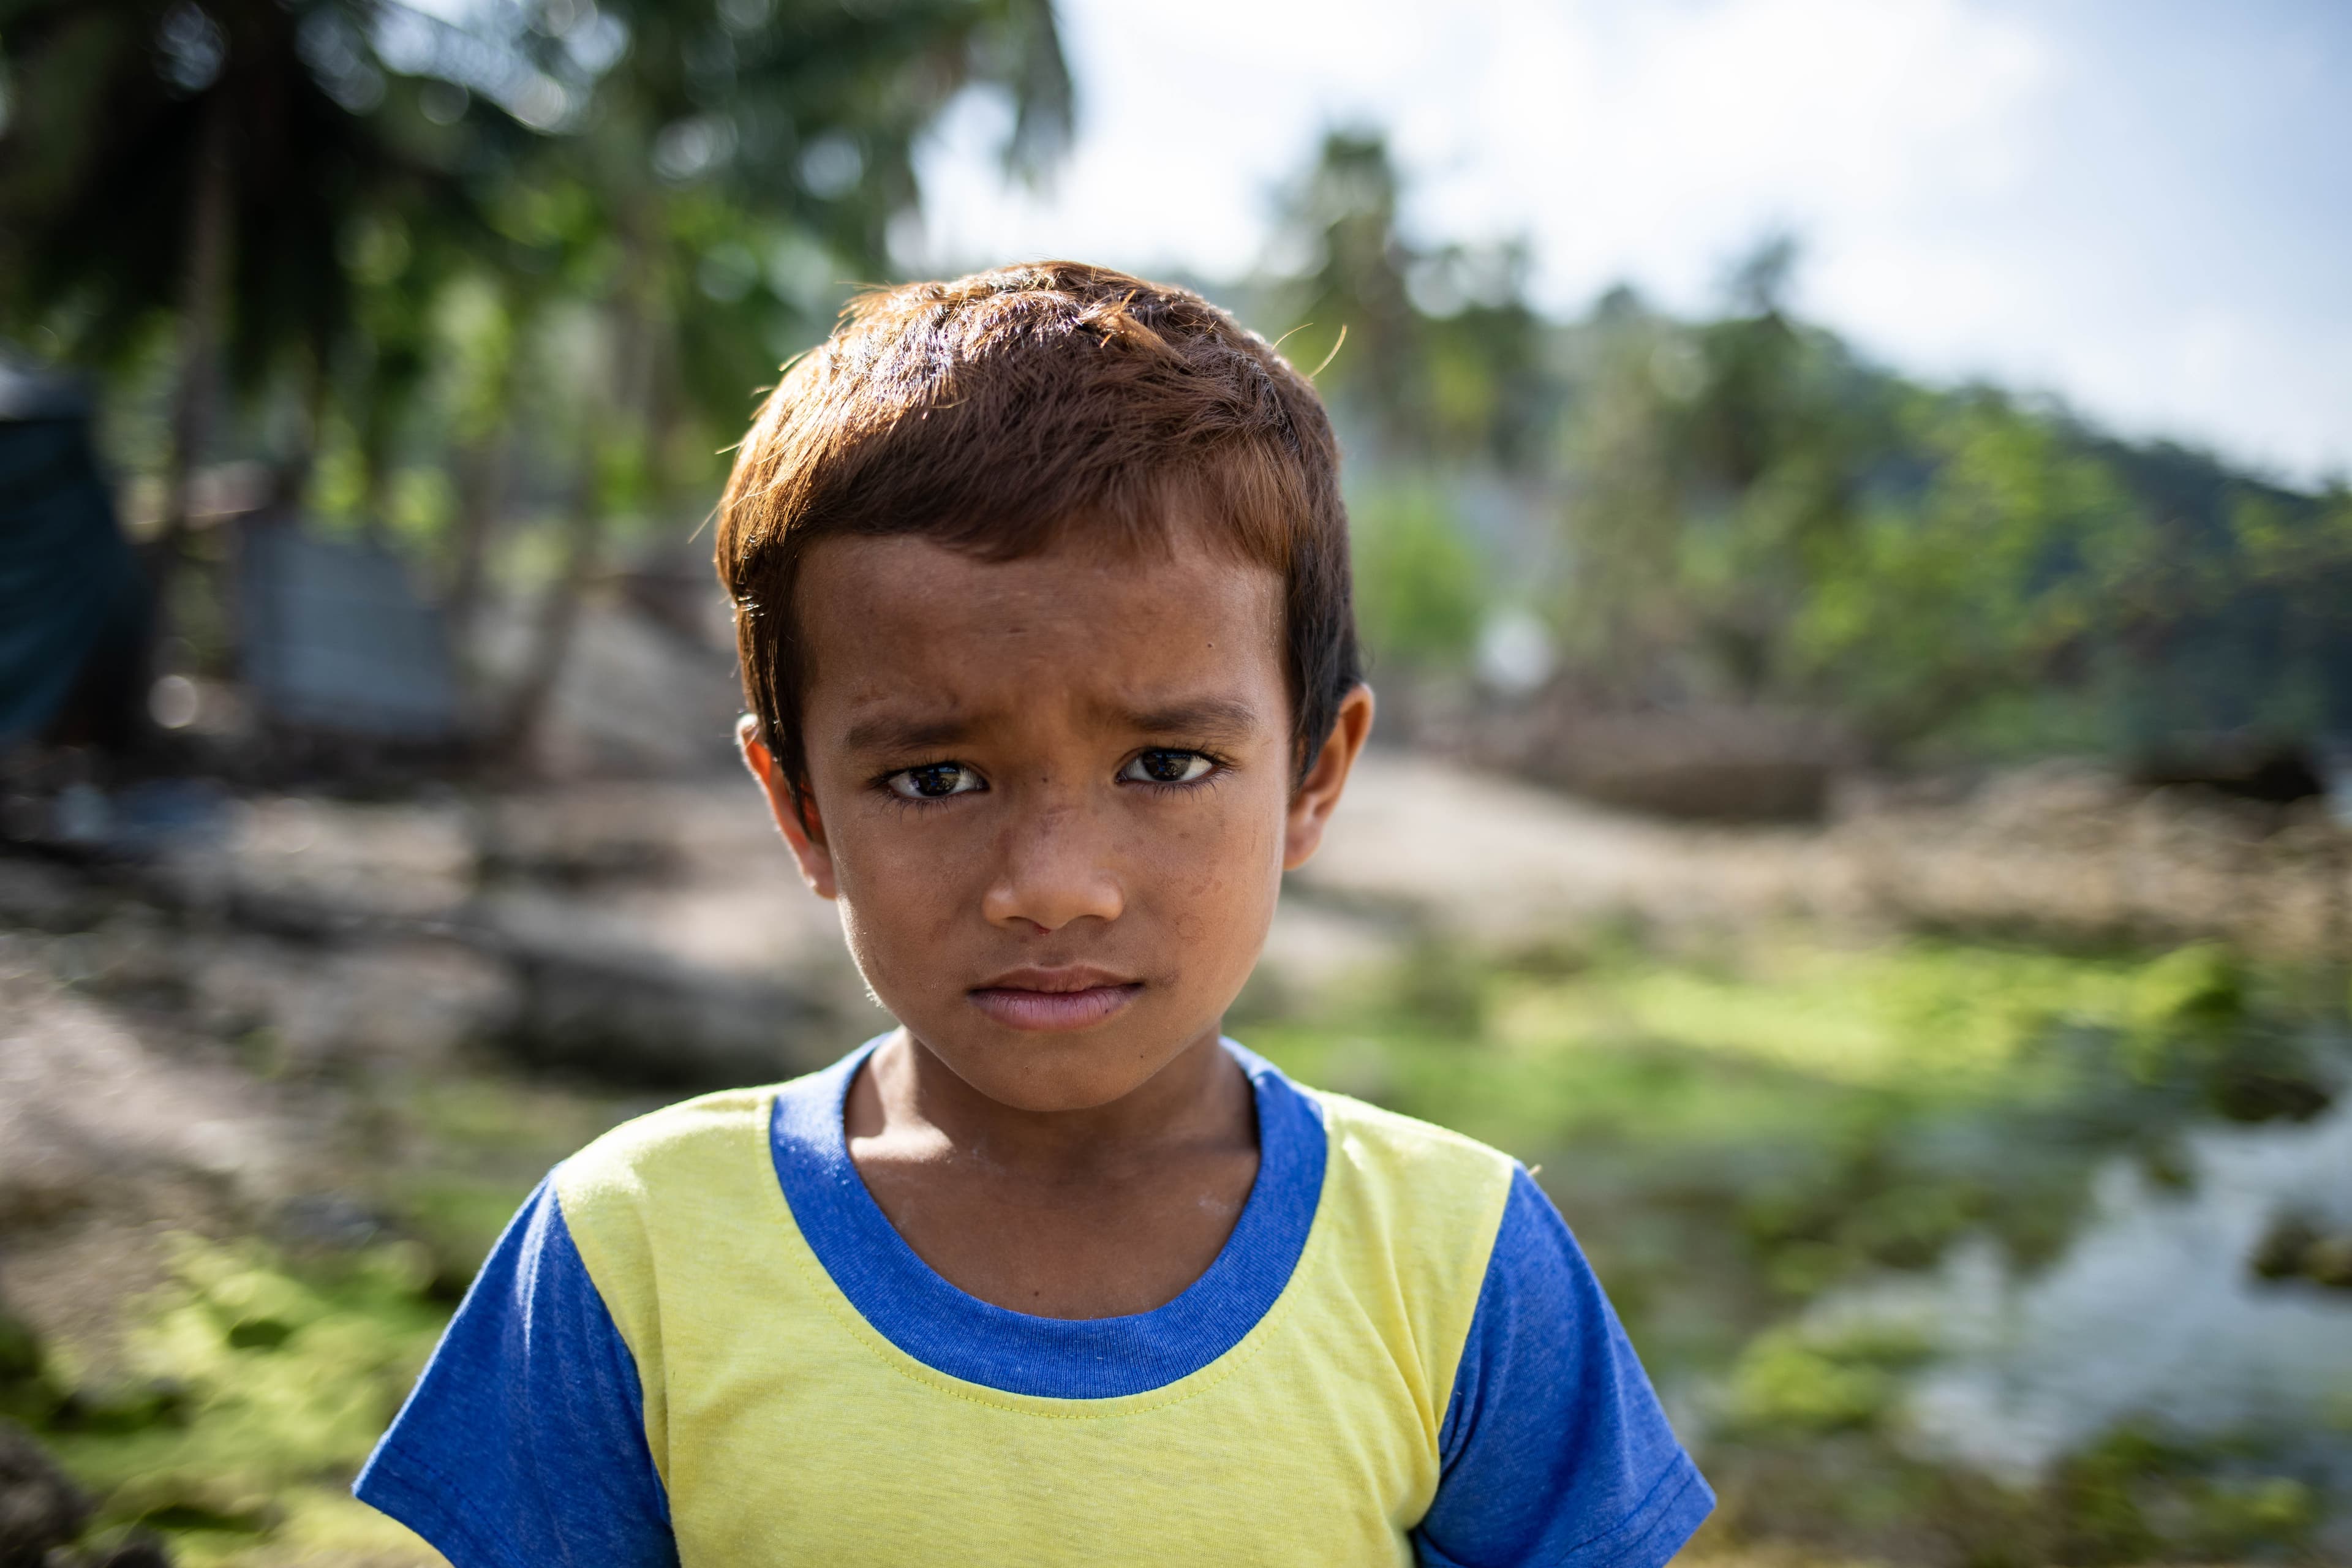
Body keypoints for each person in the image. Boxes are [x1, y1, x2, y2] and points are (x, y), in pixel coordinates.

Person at [354, 262, 1713, 1567]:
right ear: (802, 807)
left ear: (1314, 774)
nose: (1054, 884)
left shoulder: (1463, 1261)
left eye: (1167, 764)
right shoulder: (628, 1252)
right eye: (934, 776)